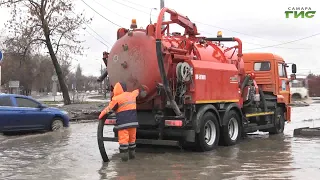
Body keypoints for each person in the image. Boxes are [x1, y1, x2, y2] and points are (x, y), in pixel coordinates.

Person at [98, 82, 146, 161]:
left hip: (123, 125)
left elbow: (109, 109)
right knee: (132, 140)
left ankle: (124, 160)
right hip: (133, 124)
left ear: (116, 90)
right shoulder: (132, 95)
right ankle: (132, 157)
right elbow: (138, 91)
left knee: (124, 142)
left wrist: (101, 116)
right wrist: (141, 89)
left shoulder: (116, 99)